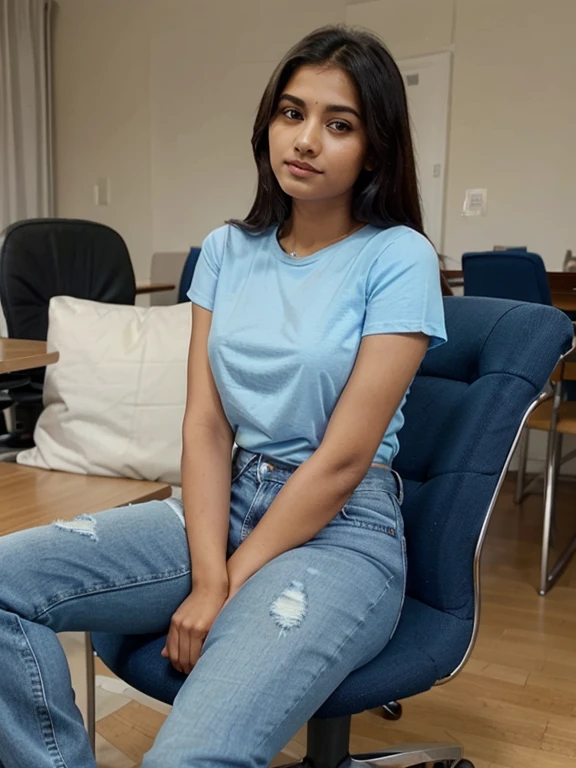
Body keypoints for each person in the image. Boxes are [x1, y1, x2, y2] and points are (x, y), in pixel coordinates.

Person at [0, 24, 447, 768]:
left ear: (376, 147)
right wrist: (211, 574)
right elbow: (205, 425)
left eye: (339, 124)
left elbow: (342, 460)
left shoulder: (397, 256)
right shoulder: (226, 252)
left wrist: (228, 587)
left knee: (188, 757)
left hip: (341, 525)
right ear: (268, 123)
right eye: (291, 113)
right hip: (221, 501)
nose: (305, 139)